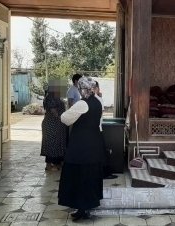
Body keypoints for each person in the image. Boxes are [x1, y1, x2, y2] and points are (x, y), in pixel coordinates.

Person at [58, 77, 105, 222]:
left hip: (81, 146)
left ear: (82, 89)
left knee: (78, 176)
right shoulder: (98, 102)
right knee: (89, 176)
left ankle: (82, 209)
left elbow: (65, 119)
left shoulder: (82, 104)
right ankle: (84, 208)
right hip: (94, 143)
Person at [41, 81, 67, 171]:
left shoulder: (54, 97)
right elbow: (53, 111)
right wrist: (61, 117)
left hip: (56, 124)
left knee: (58, 144)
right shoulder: (51, 97)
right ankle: (48, 165)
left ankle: (58, 163)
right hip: (52, 124)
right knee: (51, 143)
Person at [94, 81, 118, 180]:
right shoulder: (98, 99)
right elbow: (100, 115)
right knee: (100, 152)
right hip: (97, 129)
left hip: (92, 129)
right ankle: (104, 173)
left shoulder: (85, 100)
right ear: (96, 88)